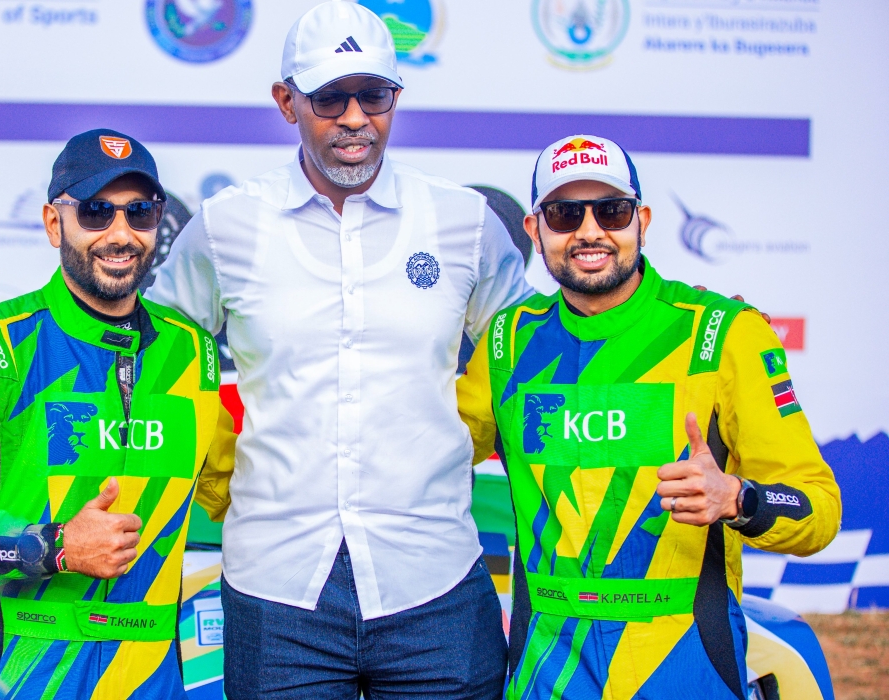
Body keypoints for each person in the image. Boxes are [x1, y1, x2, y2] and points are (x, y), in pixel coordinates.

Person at [141, 2, 528, 697]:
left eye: (372, 95)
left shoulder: (463, 221)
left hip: (434, 581)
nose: (355, 117)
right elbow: (145, 351)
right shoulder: (227, 226)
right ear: (286, 102)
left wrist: (673, 326)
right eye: (329, 98)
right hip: (276, 589)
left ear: (396, 98)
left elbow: (542, 353)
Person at [456, 134, 841, 699]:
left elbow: (818, 509)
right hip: (549, 674)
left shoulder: (723, 333)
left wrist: (738, 497)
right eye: (565, 214)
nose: (590, 231)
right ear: (536, 231)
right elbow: (428, 450)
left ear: (643, 219)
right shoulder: (508, 344)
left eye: (610, 210)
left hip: (685, 669)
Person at [0, 128, 235, 699]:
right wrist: (51, 547)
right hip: (20, 673)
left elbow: (234, 497)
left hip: (153, 681)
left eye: (139, 212)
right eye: (97, 212)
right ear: (55, 223)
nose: (121, 233)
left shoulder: (190, 352)